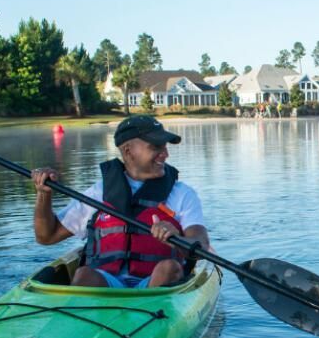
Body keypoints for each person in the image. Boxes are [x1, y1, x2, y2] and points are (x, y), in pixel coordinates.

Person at [31, 115, 212, 288]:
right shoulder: (98, 193)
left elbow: (202, 244)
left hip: (155, 286)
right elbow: (46, 236)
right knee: (84, 274)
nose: (165, 154)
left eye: (165, 147)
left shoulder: (182, 194)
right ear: (128, 150)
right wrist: (43, 194)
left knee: (169, 268)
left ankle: (150, 307)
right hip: (107, 285)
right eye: (156, 147)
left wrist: (177, 239)